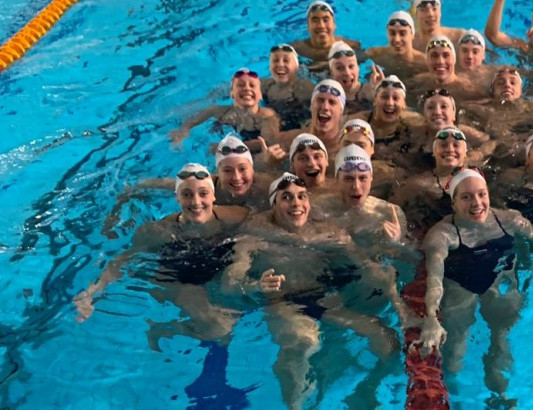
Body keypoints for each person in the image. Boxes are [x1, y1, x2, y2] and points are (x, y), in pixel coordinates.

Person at [223, 173, 404, 409]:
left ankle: (366, 389)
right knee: (303, 342)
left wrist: (390, 248)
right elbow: (229, 283)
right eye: (286, 197)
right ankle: (295, 406)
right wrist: (255, 286)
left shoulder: (328, 232)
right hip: (284, 303)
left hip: (324, 301)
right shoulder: (253, 238)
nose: (296, 203)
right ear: (274, 204)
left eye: (301, 197)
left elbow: (367, 267)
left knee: (386, 340)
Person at [415, 167, 533, 406]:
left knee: (501, 339)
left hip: (500, 281)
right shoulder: (443, 234)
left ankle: (500, 394)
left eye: (481, 194)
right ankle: (456, 398)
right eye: (466, 197)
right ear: (454, 203)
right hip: (460, 288)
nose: (477, 203)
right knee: (455, 352)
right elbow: (434, 277)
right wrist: (431, 316)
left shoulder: (509, 219)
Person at [75, 164, 250, 349]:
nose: (196, 202)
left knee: (230, 324)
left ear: (214, 197)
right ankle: (164, 329)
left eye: (203, 193)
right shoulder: (159, 231)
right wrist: (91, 292)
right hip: (178, 278)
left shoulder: (235, 217)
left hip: (214, 270)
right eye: (187, 194)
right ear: (177, 198)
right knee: (218, 328)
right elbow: (123, 259)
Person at [390, 126, 474, 233]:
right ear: (434, 152)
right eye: (443, 145)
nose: (450, 149)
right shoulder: (420, 184)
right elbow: (393, 205)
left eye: (456, 145)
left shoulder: (476, 176)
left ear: (465, 152)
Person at [170, 68, 280, 147]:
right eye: (240, 85)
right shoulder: (217, 111)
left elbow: (268, 141)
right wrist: (183, 133)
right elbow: (190, 122)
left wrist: (222, 148)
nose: (247, 89)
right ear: (232, 93)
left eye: (252, 85)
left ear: (260, 95)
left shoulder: (267, 114)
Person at [348, 75, 424, 168]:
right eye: (384, 97)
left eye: (395, 98)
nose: (389, 103)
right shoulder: (359, 121)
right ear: (375, 100)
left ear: (404, 105)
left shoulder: (414, 122)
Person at [412, 89, 494, 164]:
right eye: (430, 107)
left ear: (453, 115)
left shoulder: (463, 131)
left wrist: (476, 155)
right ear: (424, 115)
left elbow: (492, 142)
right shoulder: (418, 134)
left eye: (444, 106)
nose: (437, 112)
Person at [408, 35, 488, 102]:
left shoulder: (469, 90)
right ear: (427, 61)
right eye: (434, 56)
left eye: (446, 55)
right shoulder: (418, 82)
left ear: (454, 60)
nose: (440, 61)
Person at [279, 79, 346, 153]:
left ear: (341, 111)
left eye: (332, 102)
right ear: (311, 106)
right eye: (320, 100)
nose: (325, 107)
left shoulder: (347, 147)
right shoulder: (290, 140)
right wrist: (267, 161)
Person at [261, 44, 315, 132]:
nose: (280, 64)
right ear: (270, 67)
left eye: (286, 60)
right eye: (275, 60)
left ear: (296, 67)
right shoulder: (265, 86)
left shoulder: (304, 87)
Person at [291, 1, 361, 62]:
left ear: (334, 25)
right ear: (308, 26)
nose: (321, 26)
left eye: (326, 20)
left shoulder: (350, 46)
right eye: (315, 20)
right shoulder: (298, 49)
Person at [366, 11, 428, 80]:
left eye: (402, 33)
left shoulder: (425, 63)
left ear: (412, 35)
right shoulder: (376, 54)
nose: (397, 39)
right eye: (392, 33)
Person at [328, 41, 384, 114]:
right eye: (340, 68)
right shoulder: (327, 96)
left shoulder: (371, 91)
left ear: (358, 68)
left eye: (351, 66)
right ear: (332, 73)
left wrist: (382, 92)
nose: (347, 73)